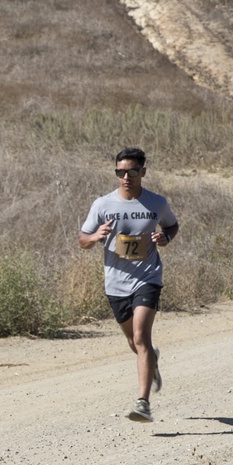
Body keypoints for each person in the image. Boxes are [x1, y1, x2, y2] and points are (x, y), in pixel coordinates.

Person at [78, 147, 179, 423]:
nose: (126, 177)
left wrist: (165, 238)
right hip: (116, 283)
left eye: (132, 172)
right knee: (132, 341)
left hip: (147, 278)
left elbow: (172, 225)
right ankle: (152, 361)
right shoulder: (103, 205)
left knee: (140, 337)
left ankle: (143, 403)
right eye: (120, 172)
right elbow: (82, 239)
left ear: (143, 172)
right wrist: (95, 236)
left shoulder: (156, 203)